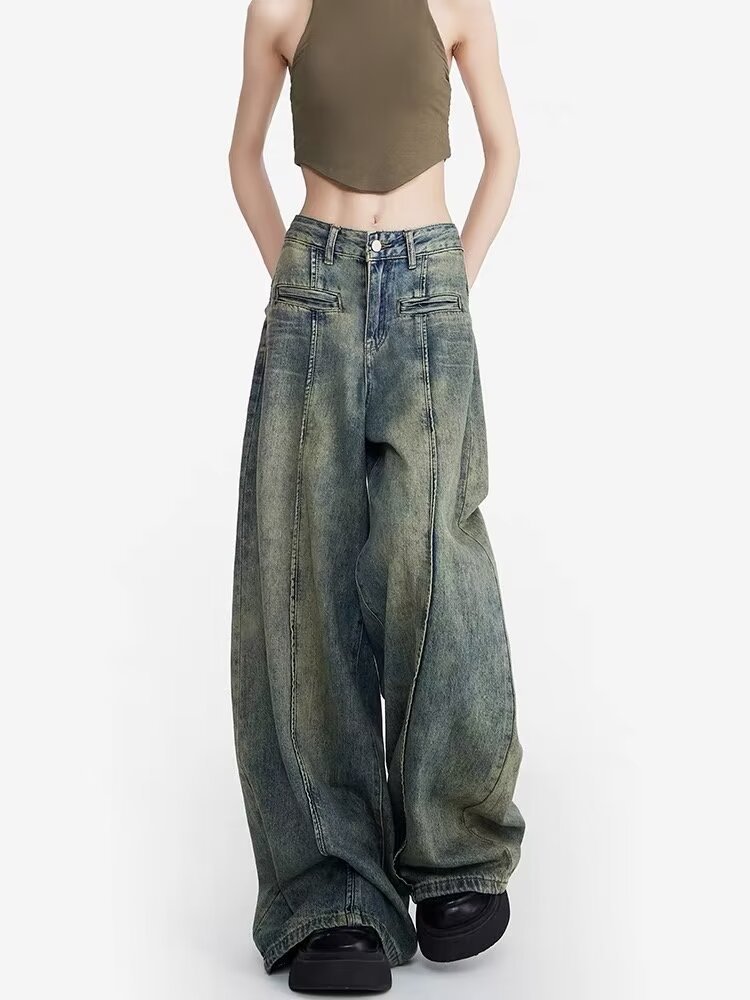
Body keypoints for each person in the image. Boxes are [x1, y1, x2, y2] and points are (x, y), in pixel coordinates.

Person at [228, 0, 525, 991]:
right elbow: (243, 156)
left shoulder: (455, 3)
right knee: (299, 571)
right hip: (311, 282)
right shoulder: (280, 8)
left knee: (433, 556)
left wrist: (454, 281)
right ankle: (331, 889)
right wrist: (293, 281)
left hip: (430, 274)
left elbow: (504, 152)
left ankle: (454, 852)